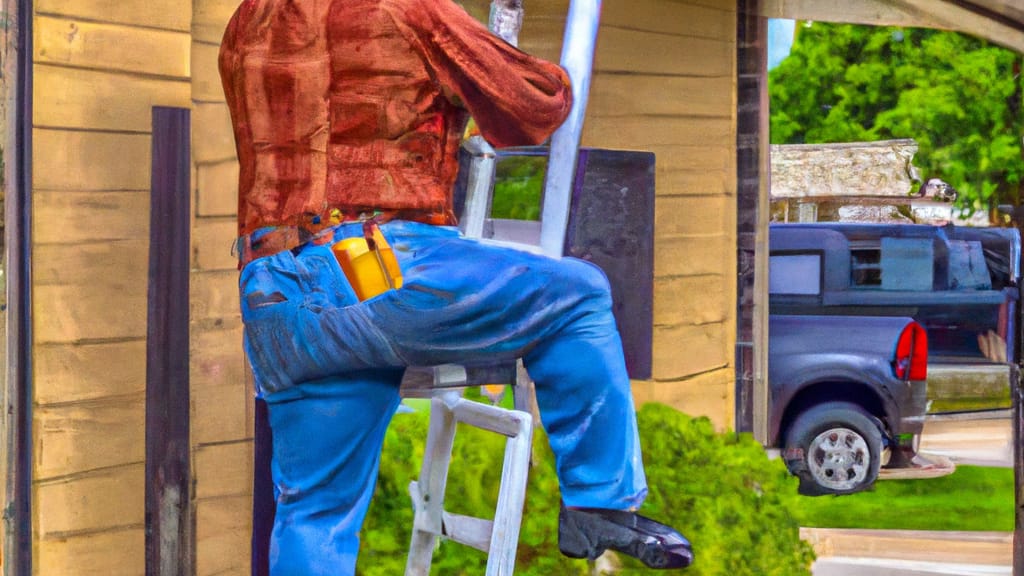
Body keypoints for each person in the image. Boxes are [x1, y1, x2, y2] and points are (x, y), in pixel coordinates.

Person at [219, 0, 693, 573]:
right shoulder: (410, 9)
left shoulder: (248, 21)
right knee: (579, 295)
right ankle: (599, 502)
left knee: (314, 512)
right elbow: (534, 106)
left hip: (271, 289)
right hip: (374, 263)